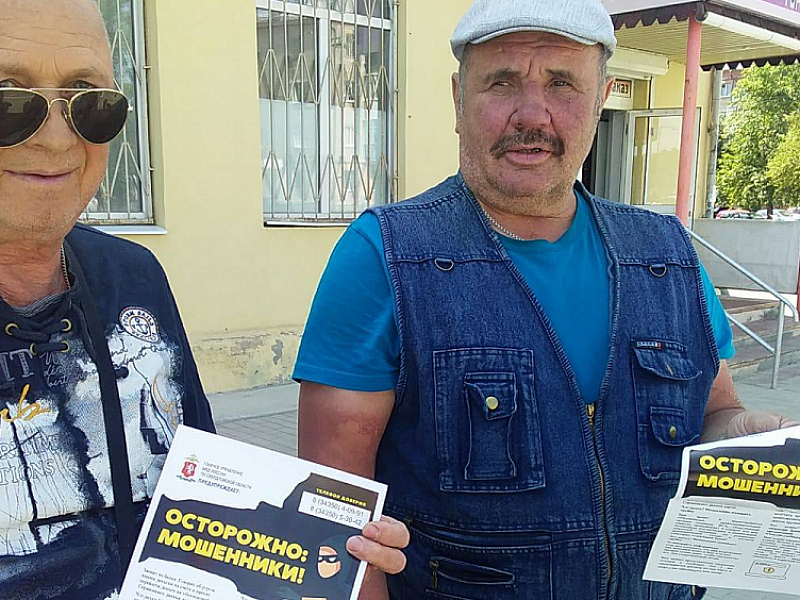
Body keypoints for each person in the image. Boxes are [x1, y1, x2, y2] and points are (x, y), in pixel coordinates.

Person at [294, 0, 799, 598]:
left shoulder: (667, 256)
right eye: (502, 82)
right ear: (458, 99)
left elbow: (713, 415)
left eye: (562, 84)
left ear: (601, 97)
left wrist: (753, 435)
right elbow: (334, 518)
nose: (532, 114)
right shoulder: (382, 255)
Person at [0, 1, 406, 598]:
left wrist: (320, 555)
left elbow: (200, 502)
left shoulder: (132, 277)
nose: (58, 138)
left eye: (89, 102)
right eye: (11, 99)